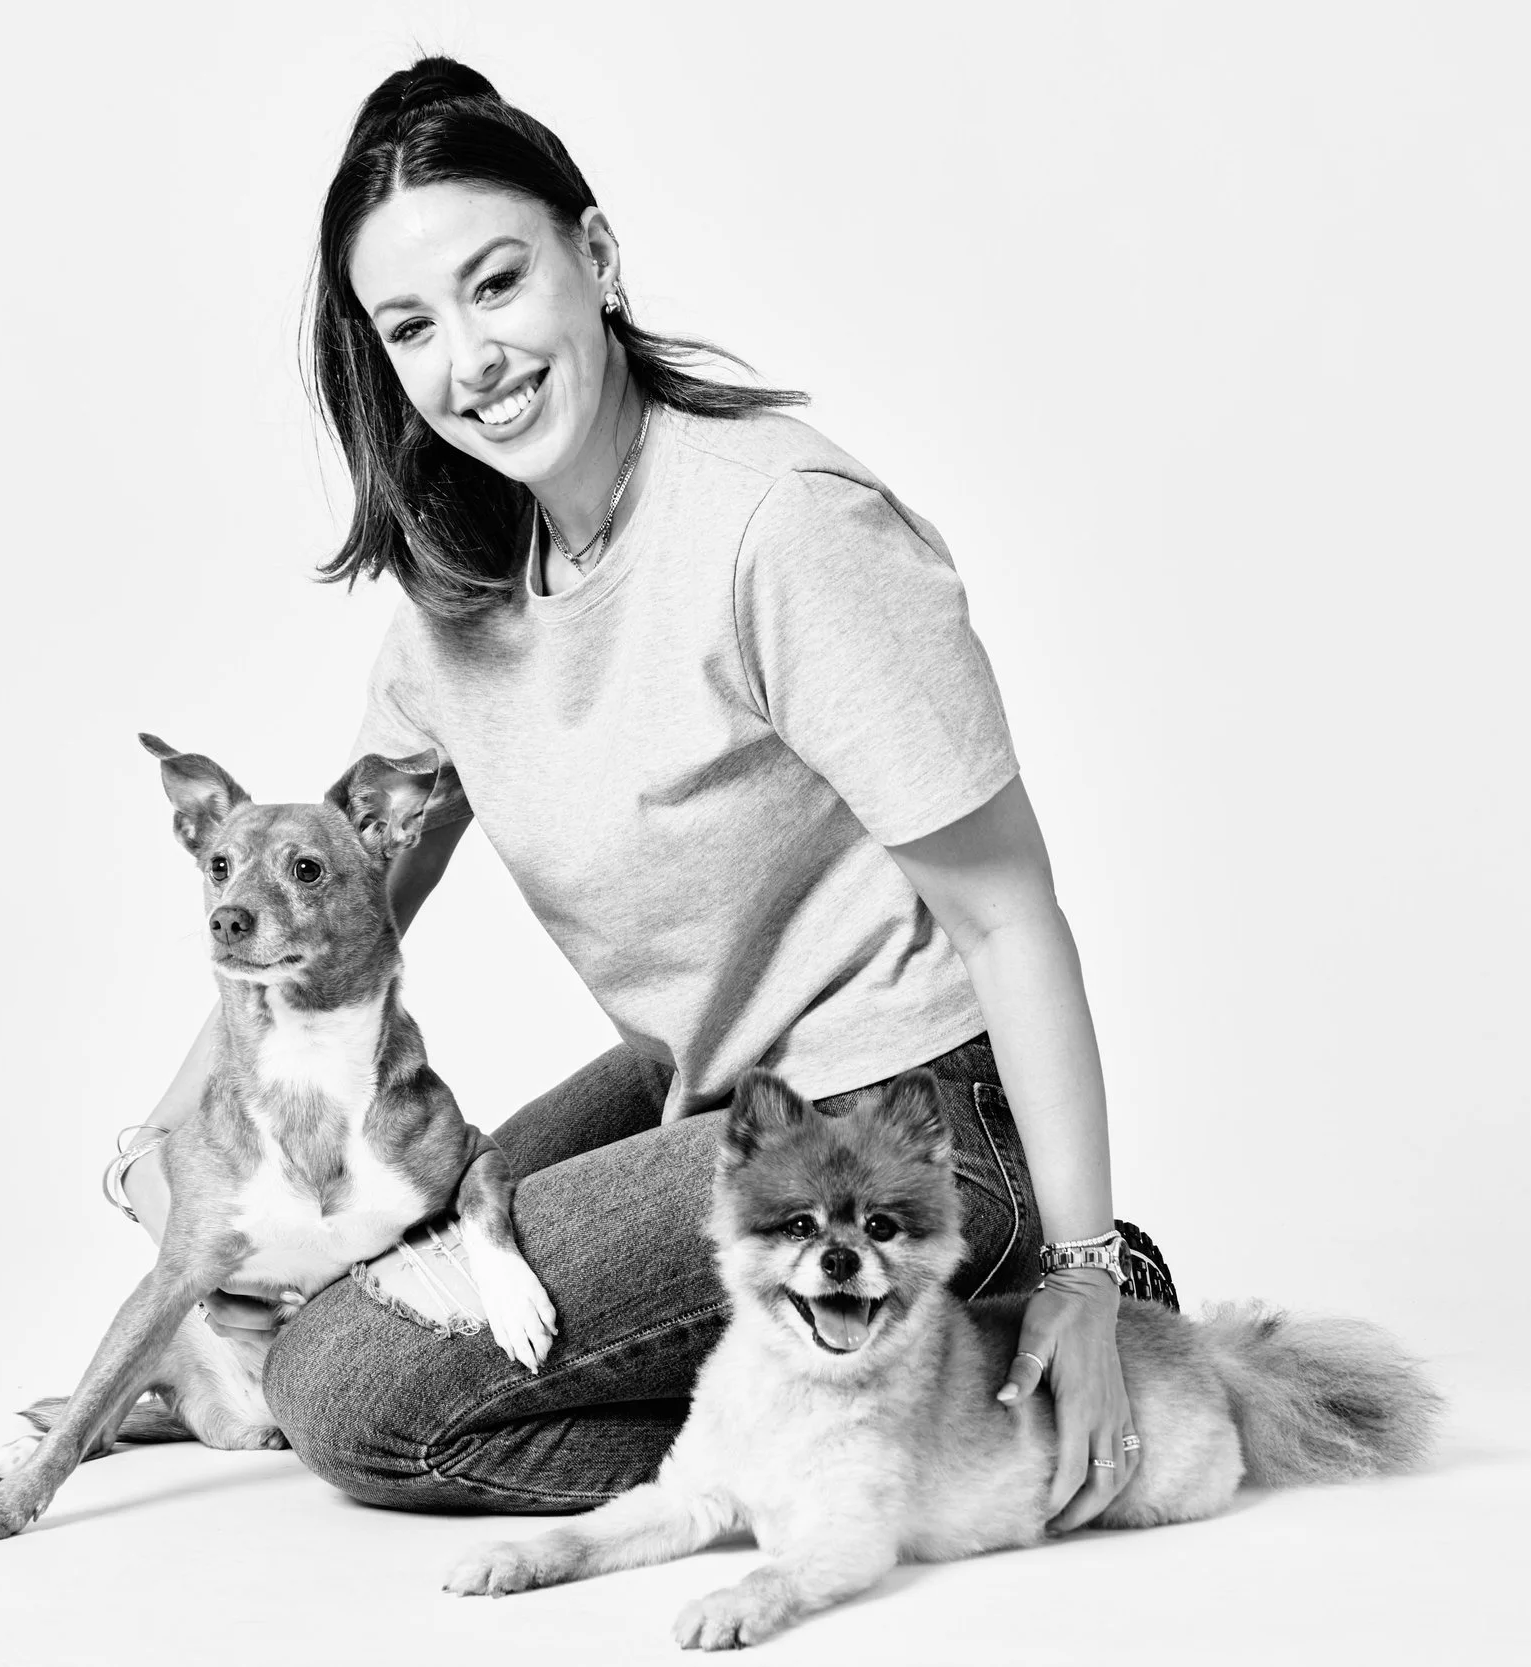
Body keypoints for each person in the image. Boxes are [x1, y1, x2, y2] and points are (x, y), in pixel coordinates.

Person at [117, 57, 1154, 1530]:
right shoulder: (456, 600)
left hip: (911, 1115)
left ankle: (961, 1347)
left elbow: (1009, 918)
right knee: (393, 1238)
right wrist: (164, 1138)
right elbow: (333, 908)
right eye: (412, 325)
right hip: (717, 1089)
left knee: (352, 1397)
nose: (470, 357)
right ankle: (860, 1356)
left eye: (497, 284)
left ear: (593, 259)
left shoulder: (778, 528)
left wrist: (1088, 1269)